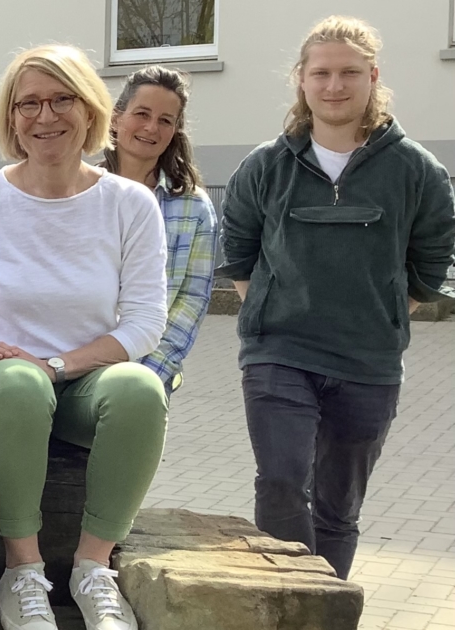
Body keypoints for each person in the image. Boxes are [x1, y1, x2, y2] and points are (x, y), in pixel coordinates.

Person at [0, 44, 169, 630]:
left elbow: (145, 322)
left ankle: (92, 568)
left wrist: (55, 364)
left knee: (140, 389)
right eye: (29, 103)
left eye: (61, 100)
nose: (45, 116)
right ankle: (23, 571)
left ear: (90, 109)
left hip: (85, 383)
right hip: (0, 389)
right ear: (11, 115)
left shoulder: (130, 203)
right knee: (20, 385)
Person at [216, 16, 455, 581]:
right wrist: (271, 308)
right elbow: (239, 252)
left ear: (373, 77)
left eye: (349, 72)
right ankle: (292, 599)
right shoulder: (265, 166)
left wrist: (384, 312)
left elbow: (431, 262)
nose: (334, 85)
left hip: (368, 363)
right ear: (301, 80)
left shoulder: (417, 170)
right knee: (280, 484)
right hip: (279, 355)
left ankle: (328, 610)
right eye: (321, 73)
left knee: (337, 510)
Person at [98, 66, 217, 395]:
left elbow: (191, 301)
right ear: (116, 119)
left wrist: (147, 376)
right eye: (142, 114)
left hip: (145, 377)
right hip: (76, 365)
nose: (152, 127)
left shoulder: (194, 207)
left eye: (165, 120)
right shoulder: (80, 192)